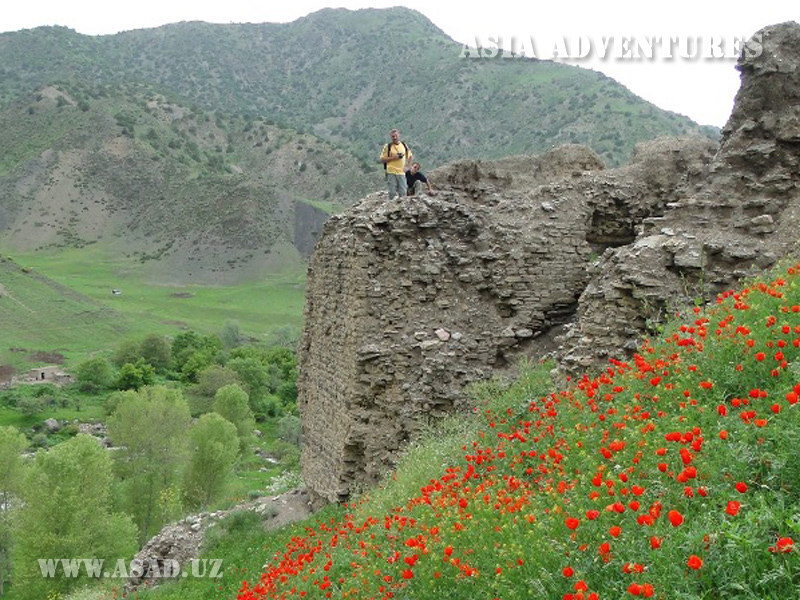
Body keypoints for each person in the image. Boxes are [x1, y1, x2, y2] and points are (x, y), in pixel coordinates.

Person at [378, 128, 412, 199]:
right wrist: (393, 158)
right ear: (391, 137)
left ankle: (401, 207)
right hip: (391, 172)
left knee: (403, 192)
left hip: (401, 172)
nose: (395, 138)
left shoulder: (404, 145)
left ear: (399, 135)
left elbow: (410, 156)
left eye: (396, 136)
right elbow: (382, 159)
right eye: (393, 136)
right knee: (392, 192)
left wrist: (407, 166)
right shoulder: (388, 146)